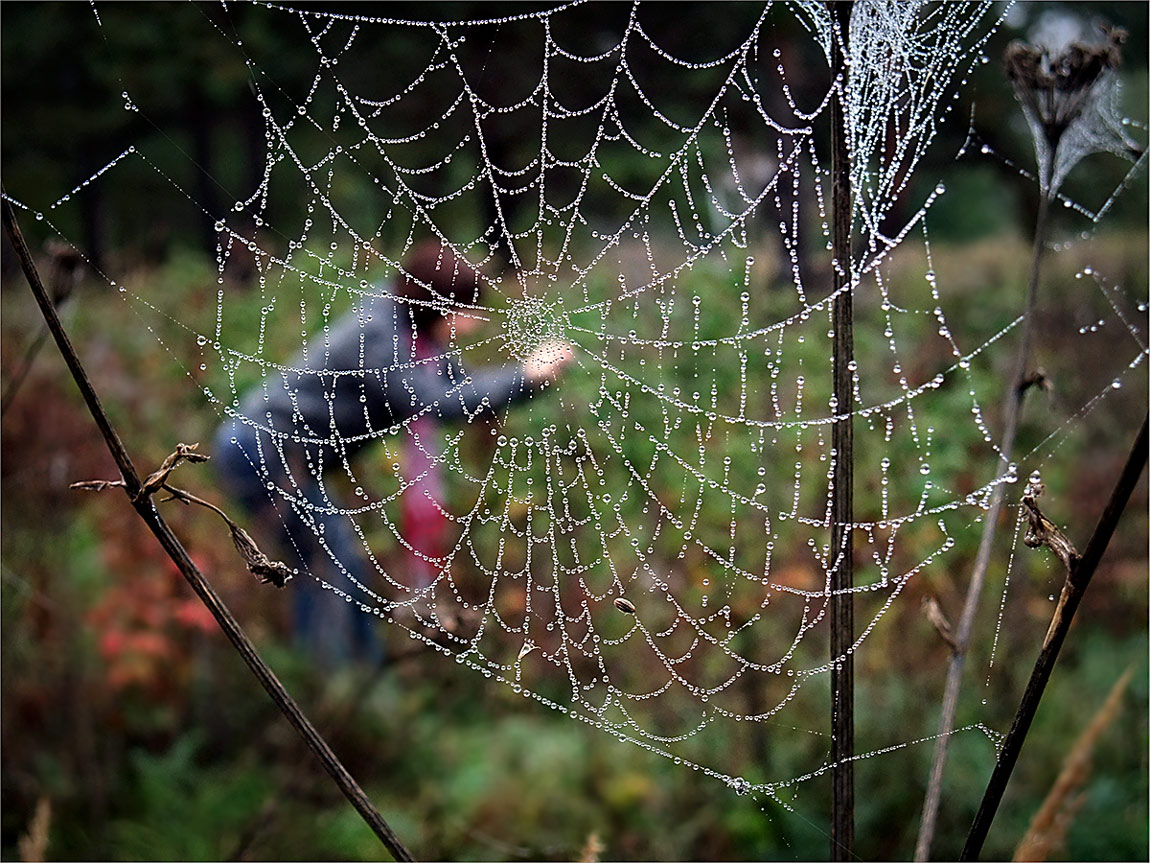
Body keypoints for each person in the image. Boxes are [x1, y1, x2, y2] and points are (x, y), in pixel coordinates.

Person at [213, 242, 572, 667]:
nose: (471, 324)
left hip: (289, 458)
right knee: (329, 572)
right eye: (465, 312)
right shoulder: (379, 333)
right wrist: (526, 375)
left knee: (342, 570)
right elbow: (435, 402)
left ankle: (360, 683)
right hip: (263, 453)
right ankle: (326, 685)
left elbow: (463, 384)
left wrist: (528, 379)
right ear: (435, 304)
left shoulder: (413, 334)